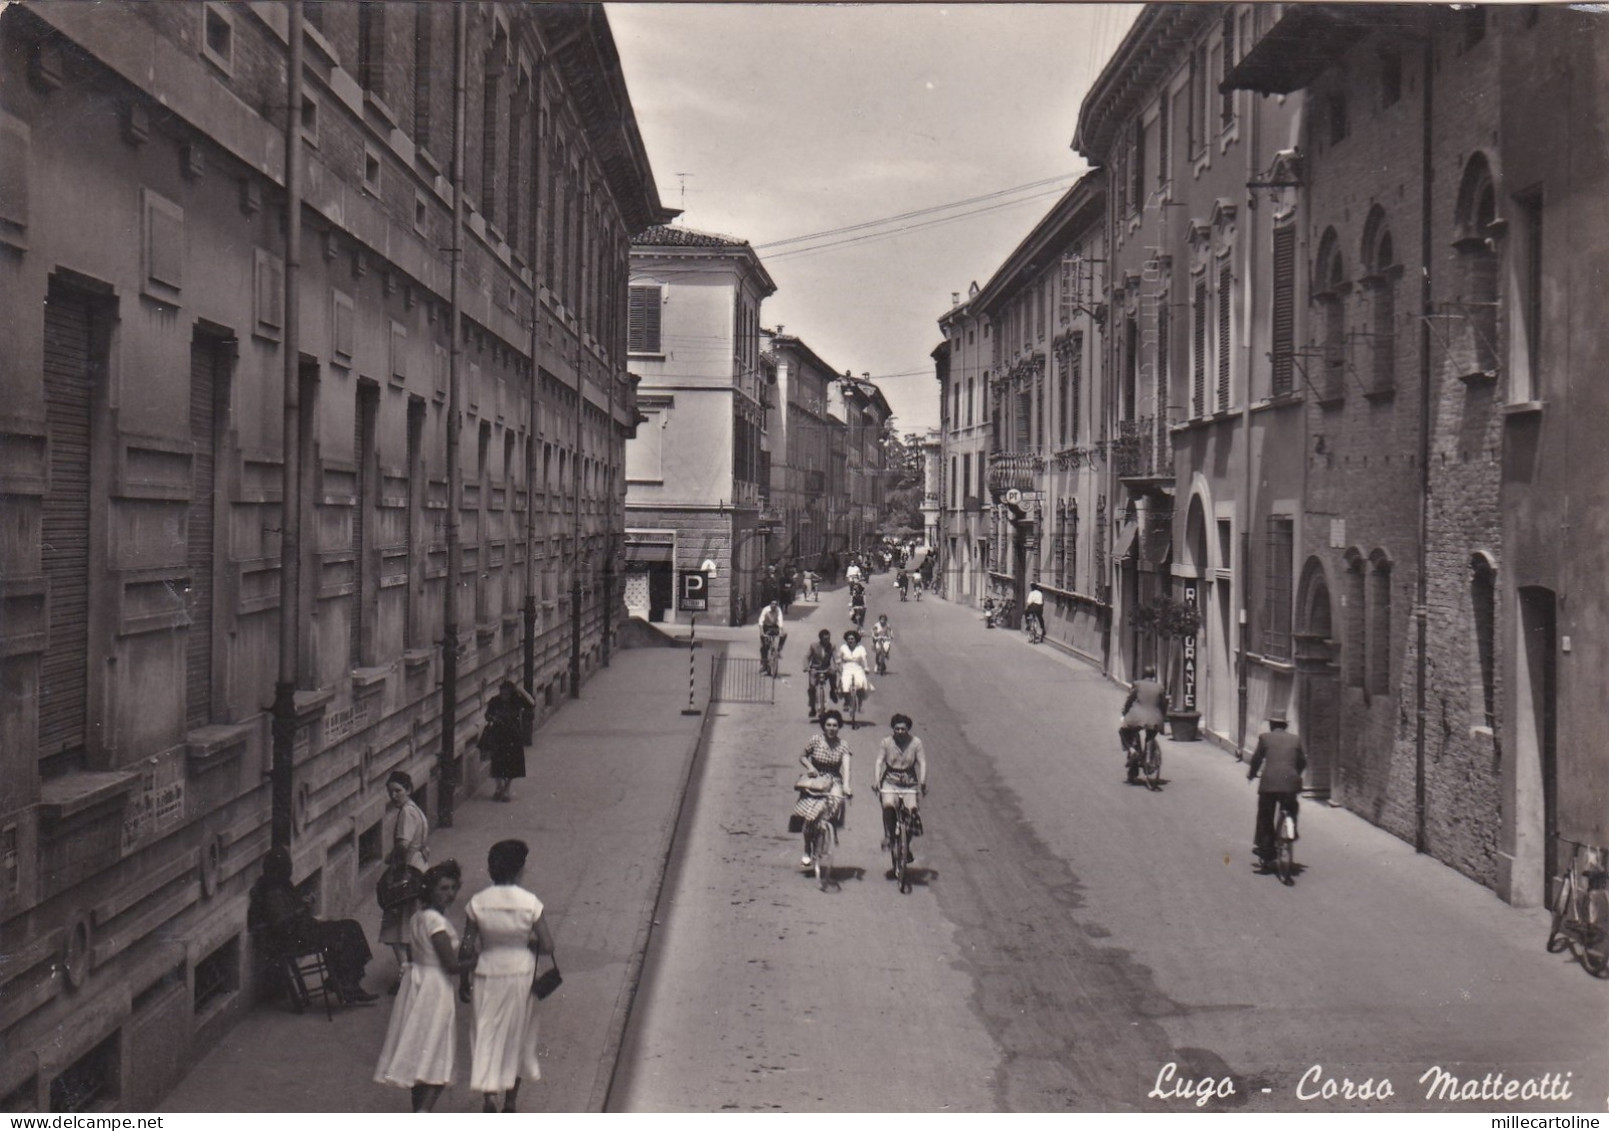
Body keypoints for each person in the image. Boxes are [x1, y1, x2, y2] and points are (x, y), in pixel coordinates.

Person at [374, 860, 478, 1111]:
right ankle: (423, 1113)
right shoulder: (436, 923)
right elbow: (451, 965)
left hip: (417, 983)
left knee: (421, 1047)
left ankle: (419, 1110)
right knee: (437, 1052)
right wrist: (480, 959)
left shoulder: (417, 918)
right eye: (443, 888)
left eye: (453, 887)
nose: (450, 894)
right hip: (434, 987)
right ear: (429, 890)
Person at [462, 839, 556, 1114]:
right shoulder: (530, 903)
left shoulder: (477, 902)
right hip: (521, 974)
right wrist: (526, 943)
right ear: (519, 869)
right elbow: (548, 946)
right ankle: (511, 1102)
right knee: (518, 1034)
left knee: (487, 1033)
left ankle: (489, 1096)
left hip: (486, 972)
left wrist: (463, 981)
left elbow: (467, 947)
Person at [248, 847, 377, 1003]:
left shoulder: (279, 885)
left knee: (351, 927)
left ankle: (347, 982)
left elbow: (288, 910)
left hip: (303, 931)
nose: (289, 869)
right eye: (286, 865)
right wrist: (303, 908)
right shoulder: (271, 891)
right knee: (347, 930)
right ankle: (346, 983)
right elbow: (282, 923)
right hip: (296, 939)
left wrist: (302, 903)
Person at [379, 771, 430, 989]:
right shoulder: (415, 810)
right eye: (391, 792)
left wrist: (392, 860)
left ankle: (405, 975)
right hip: (418, 869)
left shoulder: (406, 814)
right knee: (409, 923)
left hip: (406, 872)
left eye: (398, 790)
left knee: (394, 926)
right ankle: (413, 971)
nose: (394, 795)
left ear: (408, 789)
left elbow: (402, 844)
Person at [1247, 708, 1307, 873]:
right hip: (1290, 784)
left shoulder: (1265, 738)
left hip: (1269, 785)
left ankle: (1266, 854)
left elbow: (1257, 759)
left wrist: (1251, 774)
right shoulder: (1296, 740)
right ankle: (1291, 829)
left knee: (1265, 816)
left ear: (1272, 724)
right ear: (1285, 726)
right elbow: (1302, 762)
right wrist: (1295, 775)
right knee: (1291, 808)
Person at [793, 710, 854, 866]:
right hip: (815, 780)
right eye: (828, 725)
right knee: (809, 817)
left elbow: (847, 768)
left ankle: (825, 830)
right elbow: (802, 756)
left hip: (834, 780)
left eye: (835, 725)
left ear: (839, 727)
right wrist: (810, 767)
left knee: (836, 802)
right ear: (823, 726)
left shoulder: (843, 745)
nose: (832, 728)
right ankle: (807, 848)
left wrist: (846, 785)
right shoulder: (815, 740)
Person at [874, 714, 927, 861]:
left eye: (903, 729)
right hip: (890, 781)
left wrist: (922, 782)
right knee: (888, 805)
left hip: (909, 782)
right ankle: (888, 835)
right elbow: (879, 762)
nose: (900, 732)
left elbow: (922, 763)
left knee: (911, 813)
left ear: (908, 729)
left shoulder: (916, 743)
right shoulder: (886, 742)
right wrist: (876, 780)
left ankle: (906, 846)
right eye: (896, 729)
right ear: (893, 729)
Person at [482, 680, 536, 803]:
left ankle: (506, 790)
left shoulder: (516, 701)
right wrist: (493, 718)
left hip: (513, 736)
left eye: (506, 694)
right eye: (502, 693)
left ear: (511, 693)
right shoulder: (495, 701)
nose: (504, 696)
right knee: (496, 763)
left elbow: (532, 703)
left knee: (511, 765)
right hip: (498, 736)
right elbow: (487, 715)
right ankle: (498, 787)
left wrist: (521, 690)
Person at [1119, 666, 1169, 783]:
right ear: (1153, 676)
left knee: (1123, 731)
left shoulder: (1137, 684)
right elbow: (1163, 704)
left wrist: (1124, 712)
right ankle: (1149, 755)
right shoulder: (1160, 687)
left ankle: (1132, 750)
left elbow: (1130, 700)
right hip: (1155, 719)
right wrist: (1163, 716)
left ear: (1143, 675)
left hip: (1137, 717)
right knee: (1150, 736)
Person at [836, 629, 872, 718]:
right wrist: (838, 662)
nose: (850, 640)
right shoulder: (843, 647)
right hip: (846, 667)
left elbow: (864, 659)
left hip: (857, 668)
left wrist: (866, 667)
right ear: (846, 640)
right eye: (848, 639)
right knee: (845, 684)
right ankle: (846, 701)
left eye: (852, 639)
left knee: (861, 684)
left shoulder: (861, 648)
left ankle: (860, 704)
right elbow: (839, 657)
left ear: (856, 639)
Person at [803, 629, 837, 719]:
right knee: (812, 687)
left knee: (833, 674)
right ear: (820, 639)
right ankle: (812, 708)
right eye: (825, 639)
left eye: (829, 638)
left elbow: (835, 657)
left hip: (826, 668)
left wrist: (837, 666)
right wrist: (806, 667)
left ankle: (833, 691)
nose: (827, 641)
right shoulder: (813, 646)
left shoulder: (832, 646)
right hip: (815, 669)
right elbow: (807, 657)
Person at [759, 598, 787, 673]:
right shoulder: (765, 610)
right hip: (765, 627)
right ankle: (764, 664)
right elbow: (761, 621)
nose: (774, 605)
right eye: (772, 604)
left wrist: (781, 631)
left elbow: (780, 621)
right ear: (770, 604)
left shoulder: (778, 610)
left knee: (784, 634)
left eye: (775, 604)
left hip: (774, 627)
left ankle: (778, 649)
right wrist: (762, 632)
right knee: (764, 647)